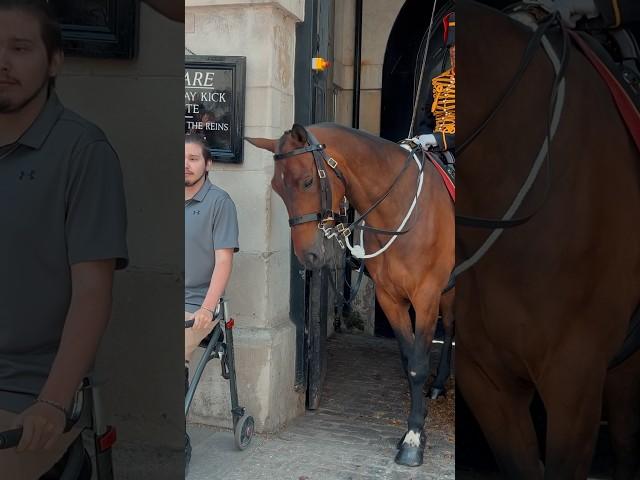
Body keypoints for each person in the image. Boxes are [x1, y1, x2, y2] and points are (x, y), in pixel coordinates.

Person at [0, 1, 128, 478]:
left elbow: (93, 293)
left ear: (53, 61)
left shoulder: (83, 153)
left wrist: (52, 402)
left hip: (25, 390)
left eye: (20, 48)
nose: (3, 62)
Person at [184, 133, 239, 474]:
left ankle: (176, 440)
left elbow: (223, 262)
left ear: (208, 164)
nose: (185, 165)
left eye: (192, 158)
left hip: (196, 304)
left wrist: (207, 308)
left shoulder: (220, 202)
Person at [413, 12, 455, 169]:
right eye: (451, 46)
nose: (453, 51)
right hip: (436, 148)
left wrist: (439, 139)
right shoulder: (438, 82)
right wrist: (424, 137)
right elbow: (426, 120)